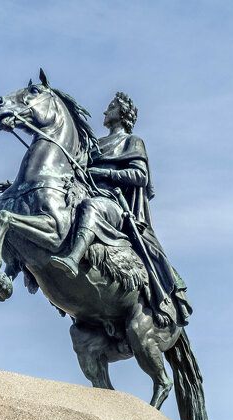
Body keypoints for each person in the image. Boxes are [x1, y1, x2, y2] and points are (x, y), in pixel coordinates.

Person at [49, 92, 192, 327]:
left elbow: (140, 175)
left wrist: (105, 173)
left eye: (111, 107)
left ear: (123, 113)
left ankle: (73, 259)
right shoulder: (95, 144)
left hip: (114, 204)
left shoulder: (132, 141)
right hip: (87, 194)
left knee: (90, 207)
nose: (105, 111)